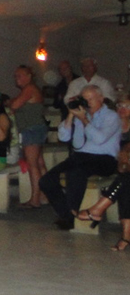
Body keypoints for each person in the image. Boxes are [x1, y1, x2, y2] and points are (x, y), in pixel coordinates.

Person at [39, 85, 120, 231]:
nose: (87, 102)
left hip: (105, 159)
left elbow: (99, 139)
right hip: (80, 156)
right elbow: (63, 137)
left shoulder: (111, 116)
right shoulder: (82, 114)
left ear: (101, 99)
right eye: (84, 99)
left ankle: (69, 216)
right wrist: (71, 115)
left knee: (76, 173)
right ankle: (68, 214)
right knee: (46, 180)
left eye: (91, 98)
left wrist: (84, 120)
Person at [75, 94, 130, 249]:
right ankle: (125, 236)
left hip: (125, 167)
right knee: (125, 181)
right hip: (113, 162)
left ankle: (98, 210)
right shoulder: (112, 122)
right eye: (119, 106)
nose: (122, 109)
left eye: (127, 106)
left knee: (125, 181)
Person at [8, 65, 48, 209]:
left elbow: (15, 105)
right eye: (15, 76)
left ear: (29, 76)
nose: (16, 79)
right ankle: (45, 195)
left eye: (20, 75)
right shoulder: (30, 89)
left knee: (32, 165)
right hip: (36, 128)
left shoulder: (29, 88)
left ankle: (35, 199)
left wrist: (10, 102)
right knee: (39, 163)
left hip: (31, 129)